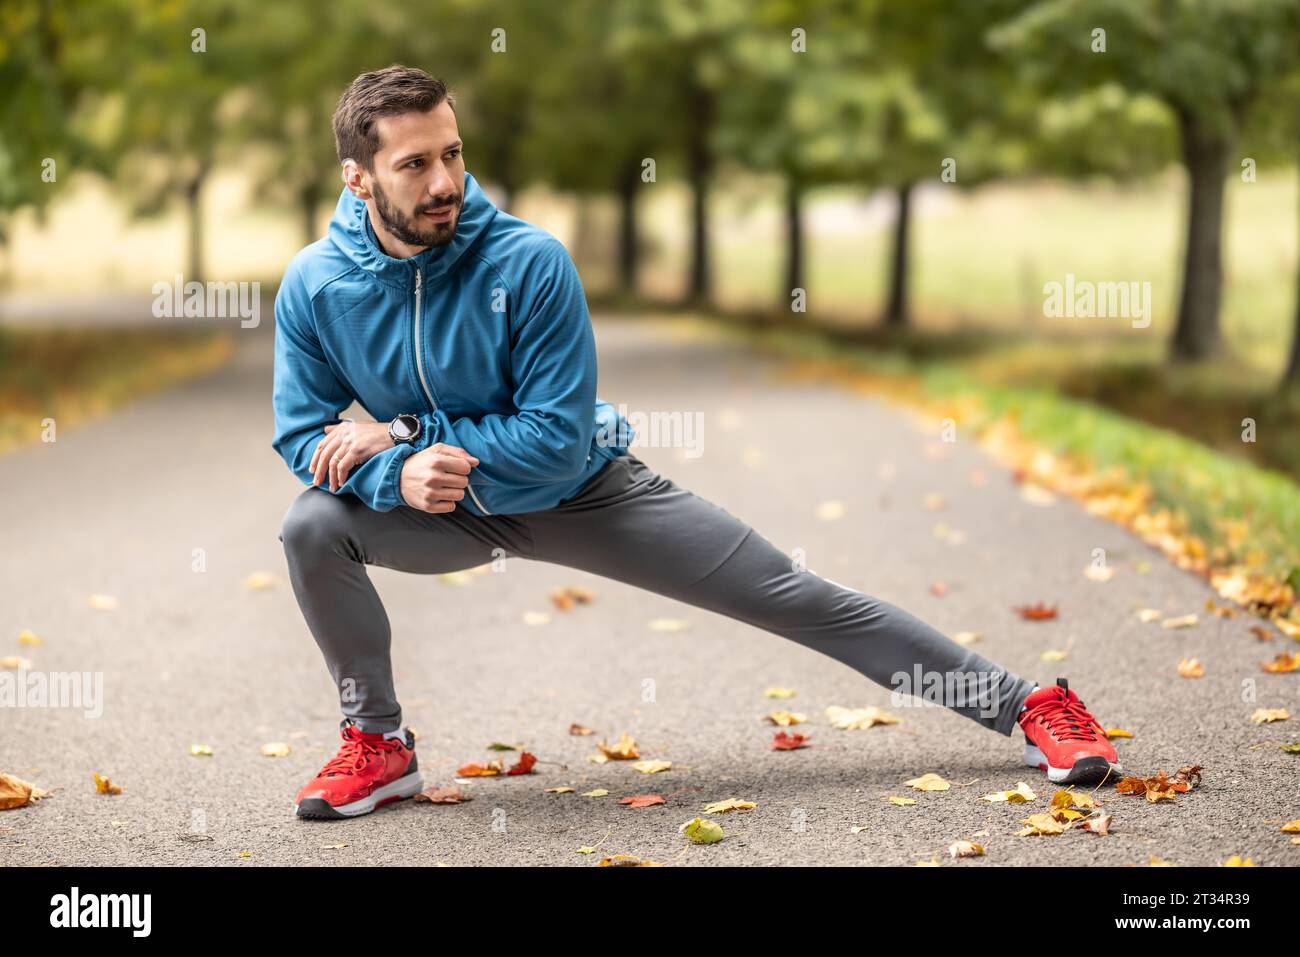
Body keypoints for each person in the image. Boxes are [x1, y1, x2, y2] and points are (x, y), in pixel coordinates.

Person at [272, 65, 1121, 819]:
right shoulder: (317, 285)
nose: (444, 180)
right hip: (445, 508)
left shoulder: (528, 262)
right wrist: (395, 472)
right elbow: (304, 432)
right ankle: (379, 744)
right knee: (313, 526)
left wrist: (411, 432)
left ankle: (1028, 704)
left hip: (583, 494)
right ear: (358, 179)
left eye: (452, 153)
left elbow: (556, 443)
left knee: (791, 592)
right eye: (414, 164)